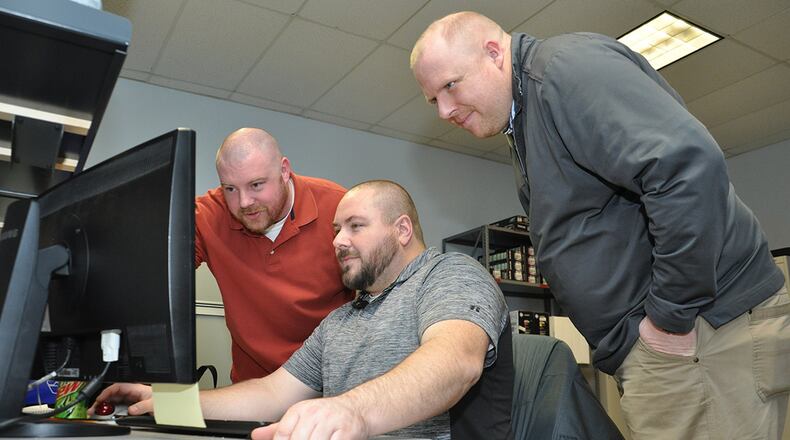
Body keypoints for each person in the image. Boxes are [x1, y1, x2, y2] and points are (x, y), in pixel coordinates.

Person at [410, 11, 789, 440]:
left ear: (494, 53)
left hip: (702, 334)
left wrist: (669, 318)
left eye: (450, 85)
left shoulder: (563, 73)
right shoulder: (525, 115)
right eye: (433, 100)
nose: (445, 110)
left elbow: (687, 172)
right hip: (671, 343)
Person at [92, 180, 514, 440]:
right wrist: (166, 401)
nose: (338, 241)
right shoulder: (340, 321)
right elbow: (271, 394)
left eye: (356, 226)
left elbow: (455, 362)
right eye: (336, 230)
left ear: (402, 229)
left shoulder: (449, 275)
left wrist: (350, 410)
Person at [195, 128, 353, 382]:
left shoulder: (339, 208)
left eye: (256, 185)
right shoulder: (210, 214)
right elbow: (153, 268)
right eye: (230, 189)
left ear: (284, 170)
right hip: (255, 388)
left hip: (328, 383)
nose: (244, 202)